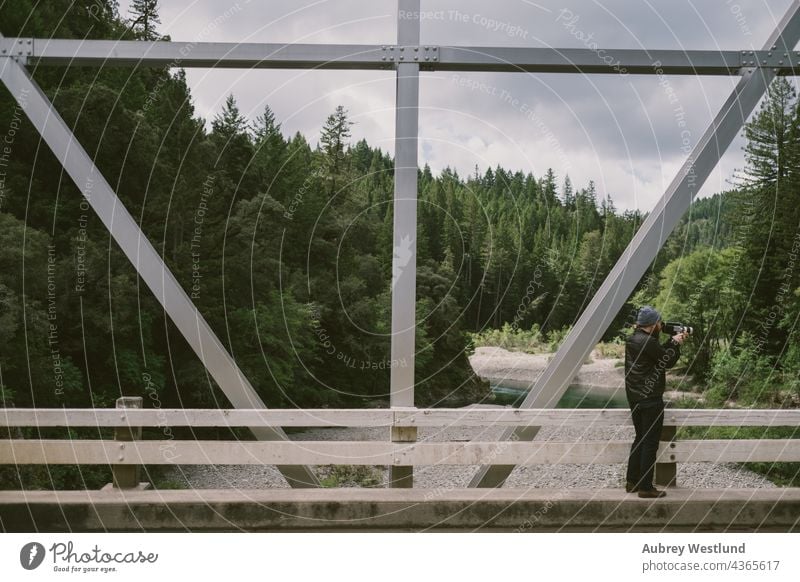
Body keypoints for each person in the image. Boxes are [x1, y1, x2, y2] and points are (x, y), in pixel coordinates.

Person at [624, 305, 686, 498]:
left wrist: (671, 343)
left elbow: (657, 355)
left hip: (635, 398)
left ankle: (632, 482)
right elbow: (667, 361)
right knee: (650, 443)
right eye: (659, 322)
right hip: (650, 399)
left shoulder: (633, 339)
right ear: (652, 324)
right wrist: (675, 343)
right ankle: (646, 488)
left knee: (639, 439)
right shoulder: (648, 342)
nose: (661, 325)